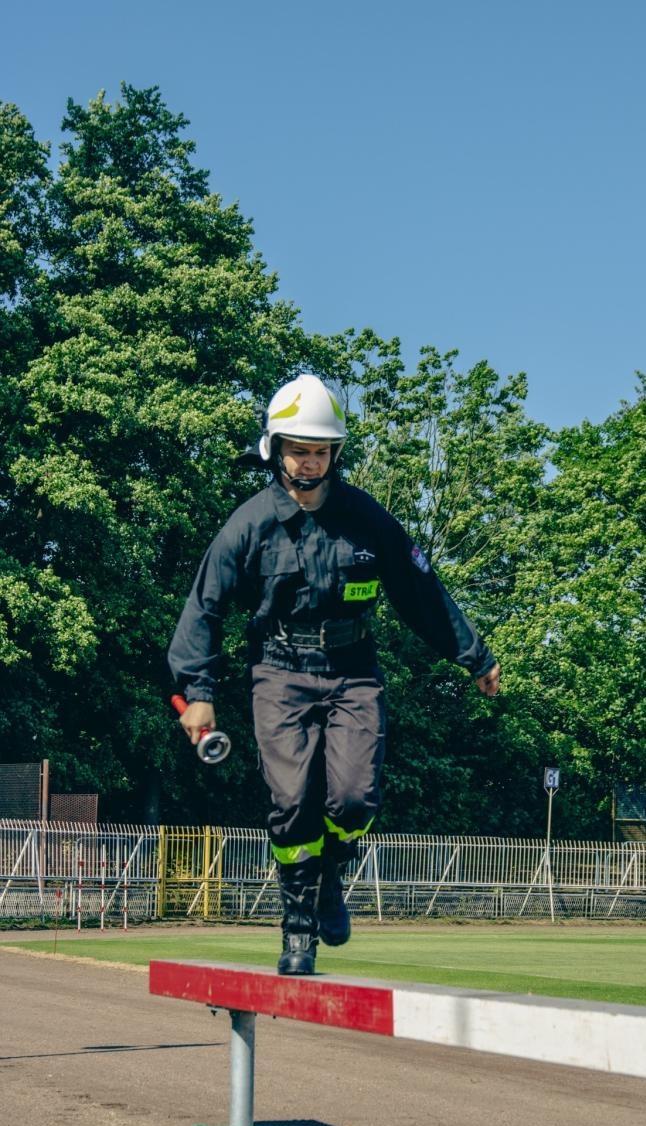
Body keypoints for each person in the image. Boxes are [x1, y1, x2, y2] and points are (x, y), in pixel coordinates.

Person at [168, 374, 500, 975]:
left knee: (352, 798)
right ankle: (298, 931)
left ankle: (329, 878)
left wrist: (473, 655)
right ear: (275, 449)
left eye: (321, 450)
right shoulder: (247, 527)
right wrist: (199, 693)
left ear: (335, 454)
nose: (310, 462)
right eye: (299, 449)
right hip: (279, 672)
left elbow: (420, 592)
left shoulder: (367, 520)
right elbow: (205, 608)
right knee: (291, 804)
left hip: (353, 673)